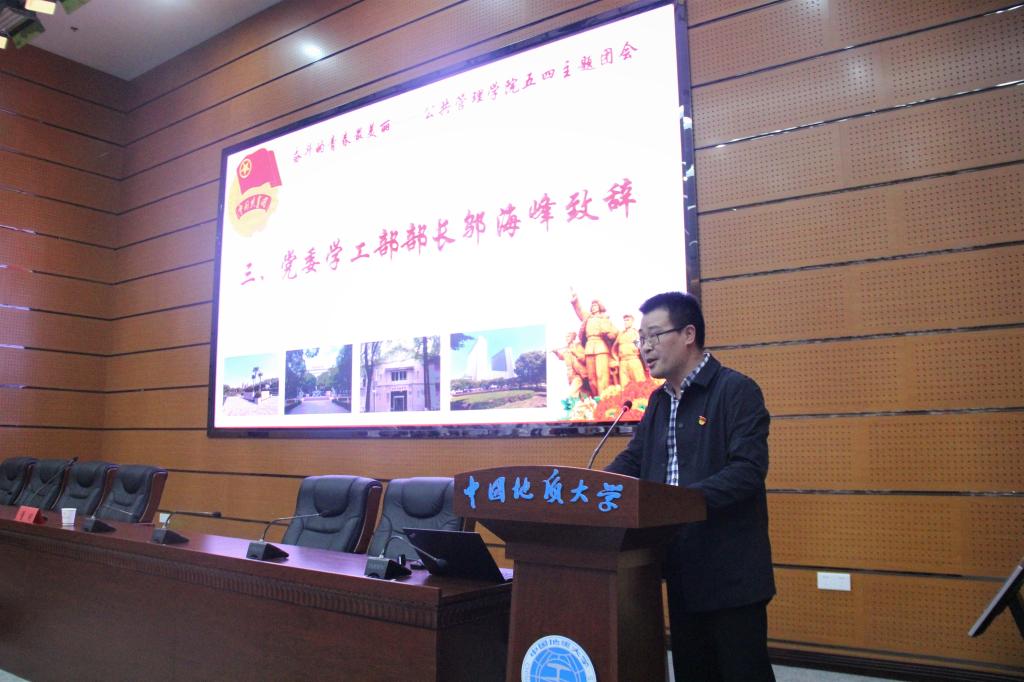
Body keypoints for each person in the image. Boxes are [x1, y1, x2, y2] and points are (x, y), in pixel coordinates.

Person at [604, 292, 775, 682]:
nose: (645, 347)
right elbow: (634, 460)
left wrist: (677, 505)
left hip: (730, 573)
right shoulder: (659, 401)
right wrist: (590, 489)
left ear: (688, 334)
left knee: (741, 673)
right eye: (640, 339)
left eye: (654, 335)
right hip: (679, 566)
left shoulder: (736, 390)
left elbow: (747, 471)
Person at [570, 289, 619, 397]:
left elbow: (615, 333)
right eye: (592, 306)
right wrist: (575, 300)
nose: (593, 307)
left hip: (601, 347)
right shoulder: (588, 318)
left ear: (600, 307)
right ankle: (597, 399)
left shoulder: (605, 319)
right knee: (592, 378)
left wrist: (610, 334)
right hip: (589, 348)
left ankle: (604, 399)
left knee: (602, 376)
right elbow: (579, 310)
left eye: (595, 306)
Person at [612, 313, 647, 387]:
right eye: (624, 320)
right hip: (623, 362)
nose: (625, 322)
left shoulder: (636, 333)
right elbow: (613, 349)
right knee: (625, 386)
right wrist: (616, 360)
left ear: (632, 321)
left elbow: (642, 348)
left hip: (634, 361)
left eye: (627, 320)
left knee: (640, 384)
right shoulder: (621, 334)